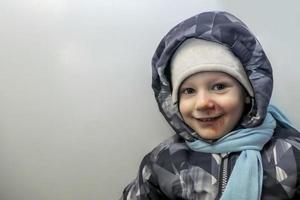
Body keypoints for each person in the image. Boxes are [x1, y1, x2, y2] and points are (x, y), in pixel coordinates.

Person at [121, 11, 300, 200]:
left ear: (249, 93)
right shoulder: (163, 161)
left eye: (219, 87)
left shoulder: (291, 153)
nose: (203, 103)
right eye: (189, 91)